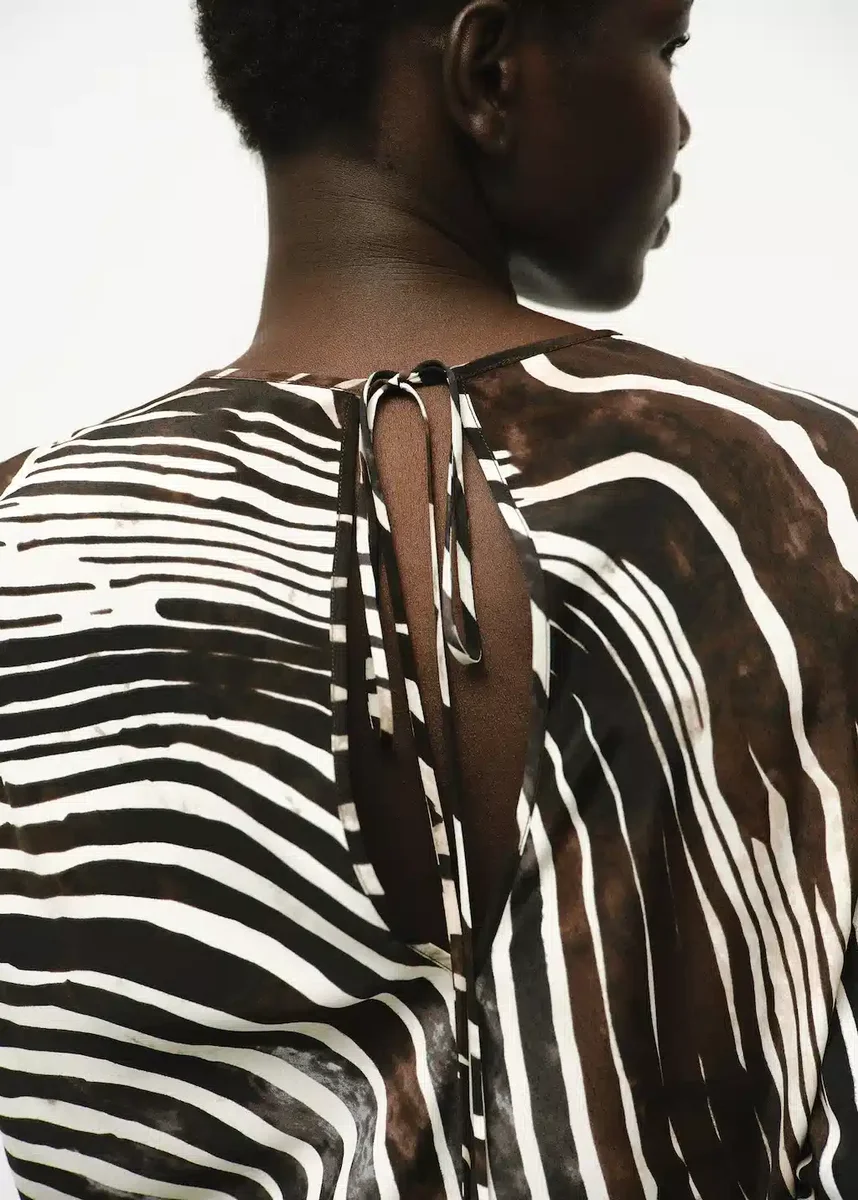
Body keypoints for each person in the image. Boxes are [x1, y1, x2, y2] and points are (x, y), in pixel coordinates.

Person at [0, 0, 855, 1195]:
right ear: (489, 71)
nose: (682, 120)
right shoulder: (804, 498)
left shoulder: (25, 536)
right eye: (664, 48)